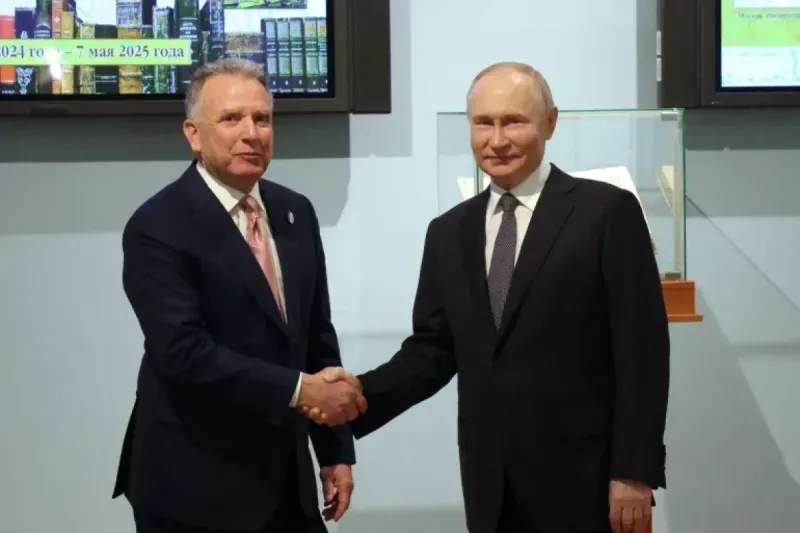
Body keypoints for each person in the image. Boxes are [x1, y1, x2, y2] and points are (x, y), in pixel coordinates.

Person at [304, 62, 670, 533]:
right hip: (490, 487)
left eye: (514, 121)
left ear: (550, 123)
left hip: (589, 482)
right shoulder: (449, 232)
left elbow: (642, 353)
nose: (497, 140)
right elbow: (432, 352)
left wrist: (634, 471)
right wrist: (355, 397)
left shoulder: (607, 213)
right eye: (483, 123)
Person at [111, 58, 367, 533]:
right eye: (231, 118)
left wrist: (334, 450)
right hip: (195, 489)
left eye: (262, 118)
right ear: (193, 134)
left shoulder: (295, 211)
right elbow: (184, 353)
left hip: (287, 485)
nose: (251, 133)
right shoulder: (157, 226)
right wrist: (300, 390)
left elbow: (315, 337)